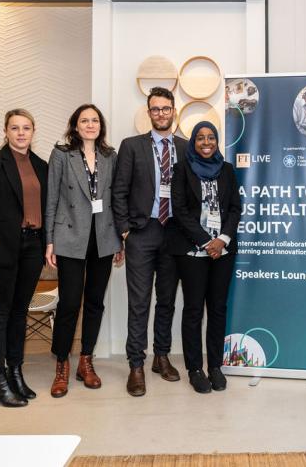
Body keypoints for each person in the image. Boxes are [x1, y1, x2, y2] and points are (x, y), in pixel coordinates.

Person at [112, 87, 188, 397]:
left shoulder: (185, 147)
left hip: (173, 234)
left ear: (173, 111)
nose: (160, 113)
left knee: (167, 300)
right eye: (155, 109)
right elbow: (119, 191)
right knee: (139, 302)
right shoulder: (131, 146)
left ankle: (161, 356)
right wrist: (125, 231)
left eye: (165, 108)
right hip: (142, 233)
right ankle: (136, 365)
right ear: (149, 113)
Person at [45, 104, 124, 398]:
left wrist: (119, 240)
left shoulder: (109, 156)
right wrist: (49, 241)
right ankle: (62, 364)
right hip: (69, 237)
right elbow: (51, 198)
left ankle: (86, 361)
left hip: (103, 238)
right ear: (75, 126)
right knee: (68, 303)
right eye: (84, 120)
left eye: (94, 120)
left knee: (95, 302)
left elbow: (117, 200)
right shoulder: (62, 155)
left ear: (100, 126)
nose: (90, 125)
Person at [0, 109, 48, 407]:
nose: (20, 133)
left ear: (33, 131)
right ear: (5, 131)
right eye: (14, 128)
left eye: (26, 128)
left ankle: (15, 372)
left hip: (32, 248)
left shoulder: (40, 165)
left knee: (19, 313)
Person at [169, 121, 241, 394]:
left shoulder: (227, 170)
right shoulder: (181, 169)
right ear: (193, 143)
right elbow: (180, 210)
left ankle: (215, 367)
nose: (206, 142)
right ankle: (195, 369)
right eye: (200, 138)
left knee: (218, 308)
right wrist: (204, 241)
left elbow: (235, 208)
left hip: (222, 250)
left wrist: (221, 240)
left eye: (211, 137)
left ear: (217, 140)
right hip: (192, 251)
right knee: (194, 309)